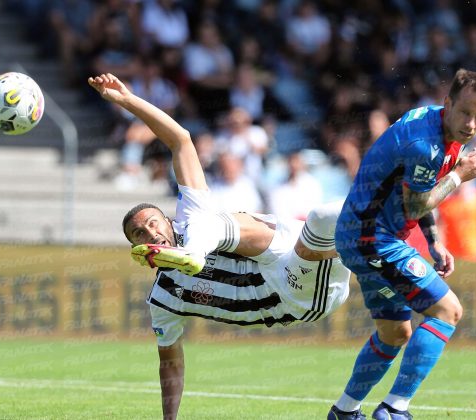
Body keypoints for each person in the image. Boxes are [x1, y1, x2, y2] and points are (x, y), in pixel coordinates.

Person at [88, 73, 350, 420]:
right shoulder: (163, 300)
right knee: (321, 215)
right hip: (293, 293)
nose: (150, 232)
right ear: (136, 249)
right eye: (139, 233)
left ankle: (403, 211)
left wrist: (127, 100)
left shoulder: (190, 217)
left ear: (168, 222)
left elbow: (180, 140)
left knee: (336, 214)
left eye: (153, 222)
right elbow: (170, 361)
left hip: (303, 251)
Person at [327, 68, 476, 420]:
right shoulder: (427, 145)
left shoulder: (438, 127)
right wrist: (459, 176)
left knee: (394, 332)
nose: (471, 124)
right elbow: (417, 203)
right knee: (447, 310)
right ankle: (394, 409)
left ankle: (344, 412)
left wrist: (434, 242)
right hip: (372, 239)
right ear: (448, 103)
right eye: (465, 113)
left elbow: (414, 193)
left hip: (366, 235)